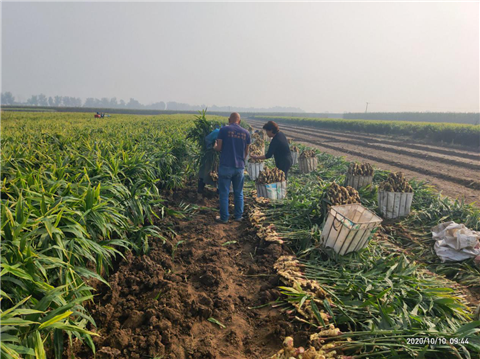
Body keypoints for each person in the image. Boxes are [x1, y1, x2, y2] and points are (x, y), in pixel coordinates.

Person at [213, 112, 250, 224]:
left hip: (226, 166)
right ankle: (238, 216)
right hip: (239, 167)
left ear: (229, 120)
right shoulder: (246, 133)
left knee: (224, 193)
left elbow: (219, 148)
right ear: (239, 121)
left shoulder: (223, 130)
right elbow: (246, 152)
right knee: (238, 193)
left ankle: (224, 218)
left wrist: (214, 146)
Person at [197, 125, 220, 195]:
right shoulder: (217, 132)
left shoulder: (228, 134)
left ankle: (219, 190)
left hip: (219, 156)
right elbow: (207, 139)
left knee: (219, 173)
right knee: (206, 171)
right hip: (210, 155)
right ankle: (200, 189)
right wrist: (211, 148)